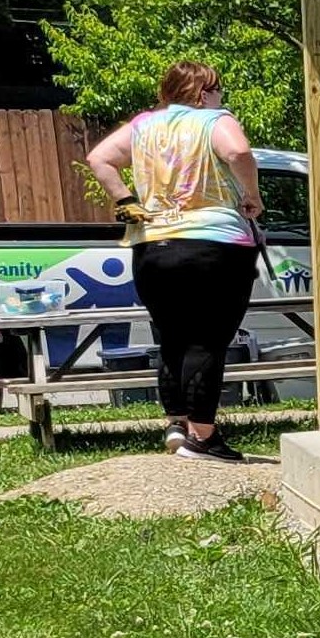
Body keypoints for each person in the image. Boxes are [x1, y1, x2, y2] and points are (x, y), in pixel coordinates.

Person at [84, 62, 265, 463]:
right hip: (213, 242)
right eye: (217, 90)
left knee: (171, 337)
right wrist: (251, 194)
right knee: (209, 338)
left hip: (153, 244)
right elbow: (237, 151)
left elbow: (99, 158)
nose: (221, 98)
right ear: (203, 94)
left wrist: (126, 200)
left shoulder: (144, 125)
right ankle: (204, 437)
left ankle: (176, 425)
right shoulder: (213, 119)